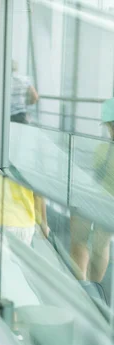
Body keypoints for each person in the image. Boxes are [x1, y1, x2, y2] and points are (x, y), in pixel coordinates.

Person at [70, 98, 114, 283]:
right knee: (101, 244)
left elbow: (96, 178)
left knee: (79, 236)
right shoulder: (103, 149)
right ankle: (93, 286)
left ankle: (82, 284)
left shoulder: (103, 149)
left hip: (101, 203)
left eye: (108, 126)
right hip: (105, 206)